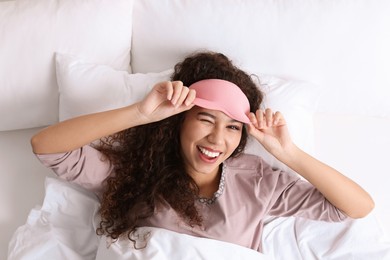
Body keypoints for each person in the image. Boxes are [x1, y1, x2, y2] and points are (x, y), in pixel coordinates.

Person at [31, 51, 374, 253]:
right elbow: (46, 147)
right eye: (205, 120)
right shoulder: (135, 172)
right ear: (178, 121)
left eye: (232, 127)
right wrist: (141, 113)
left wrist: (289, 153)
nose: (216, 139)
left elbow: (357, 207)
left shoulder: (258, 180)